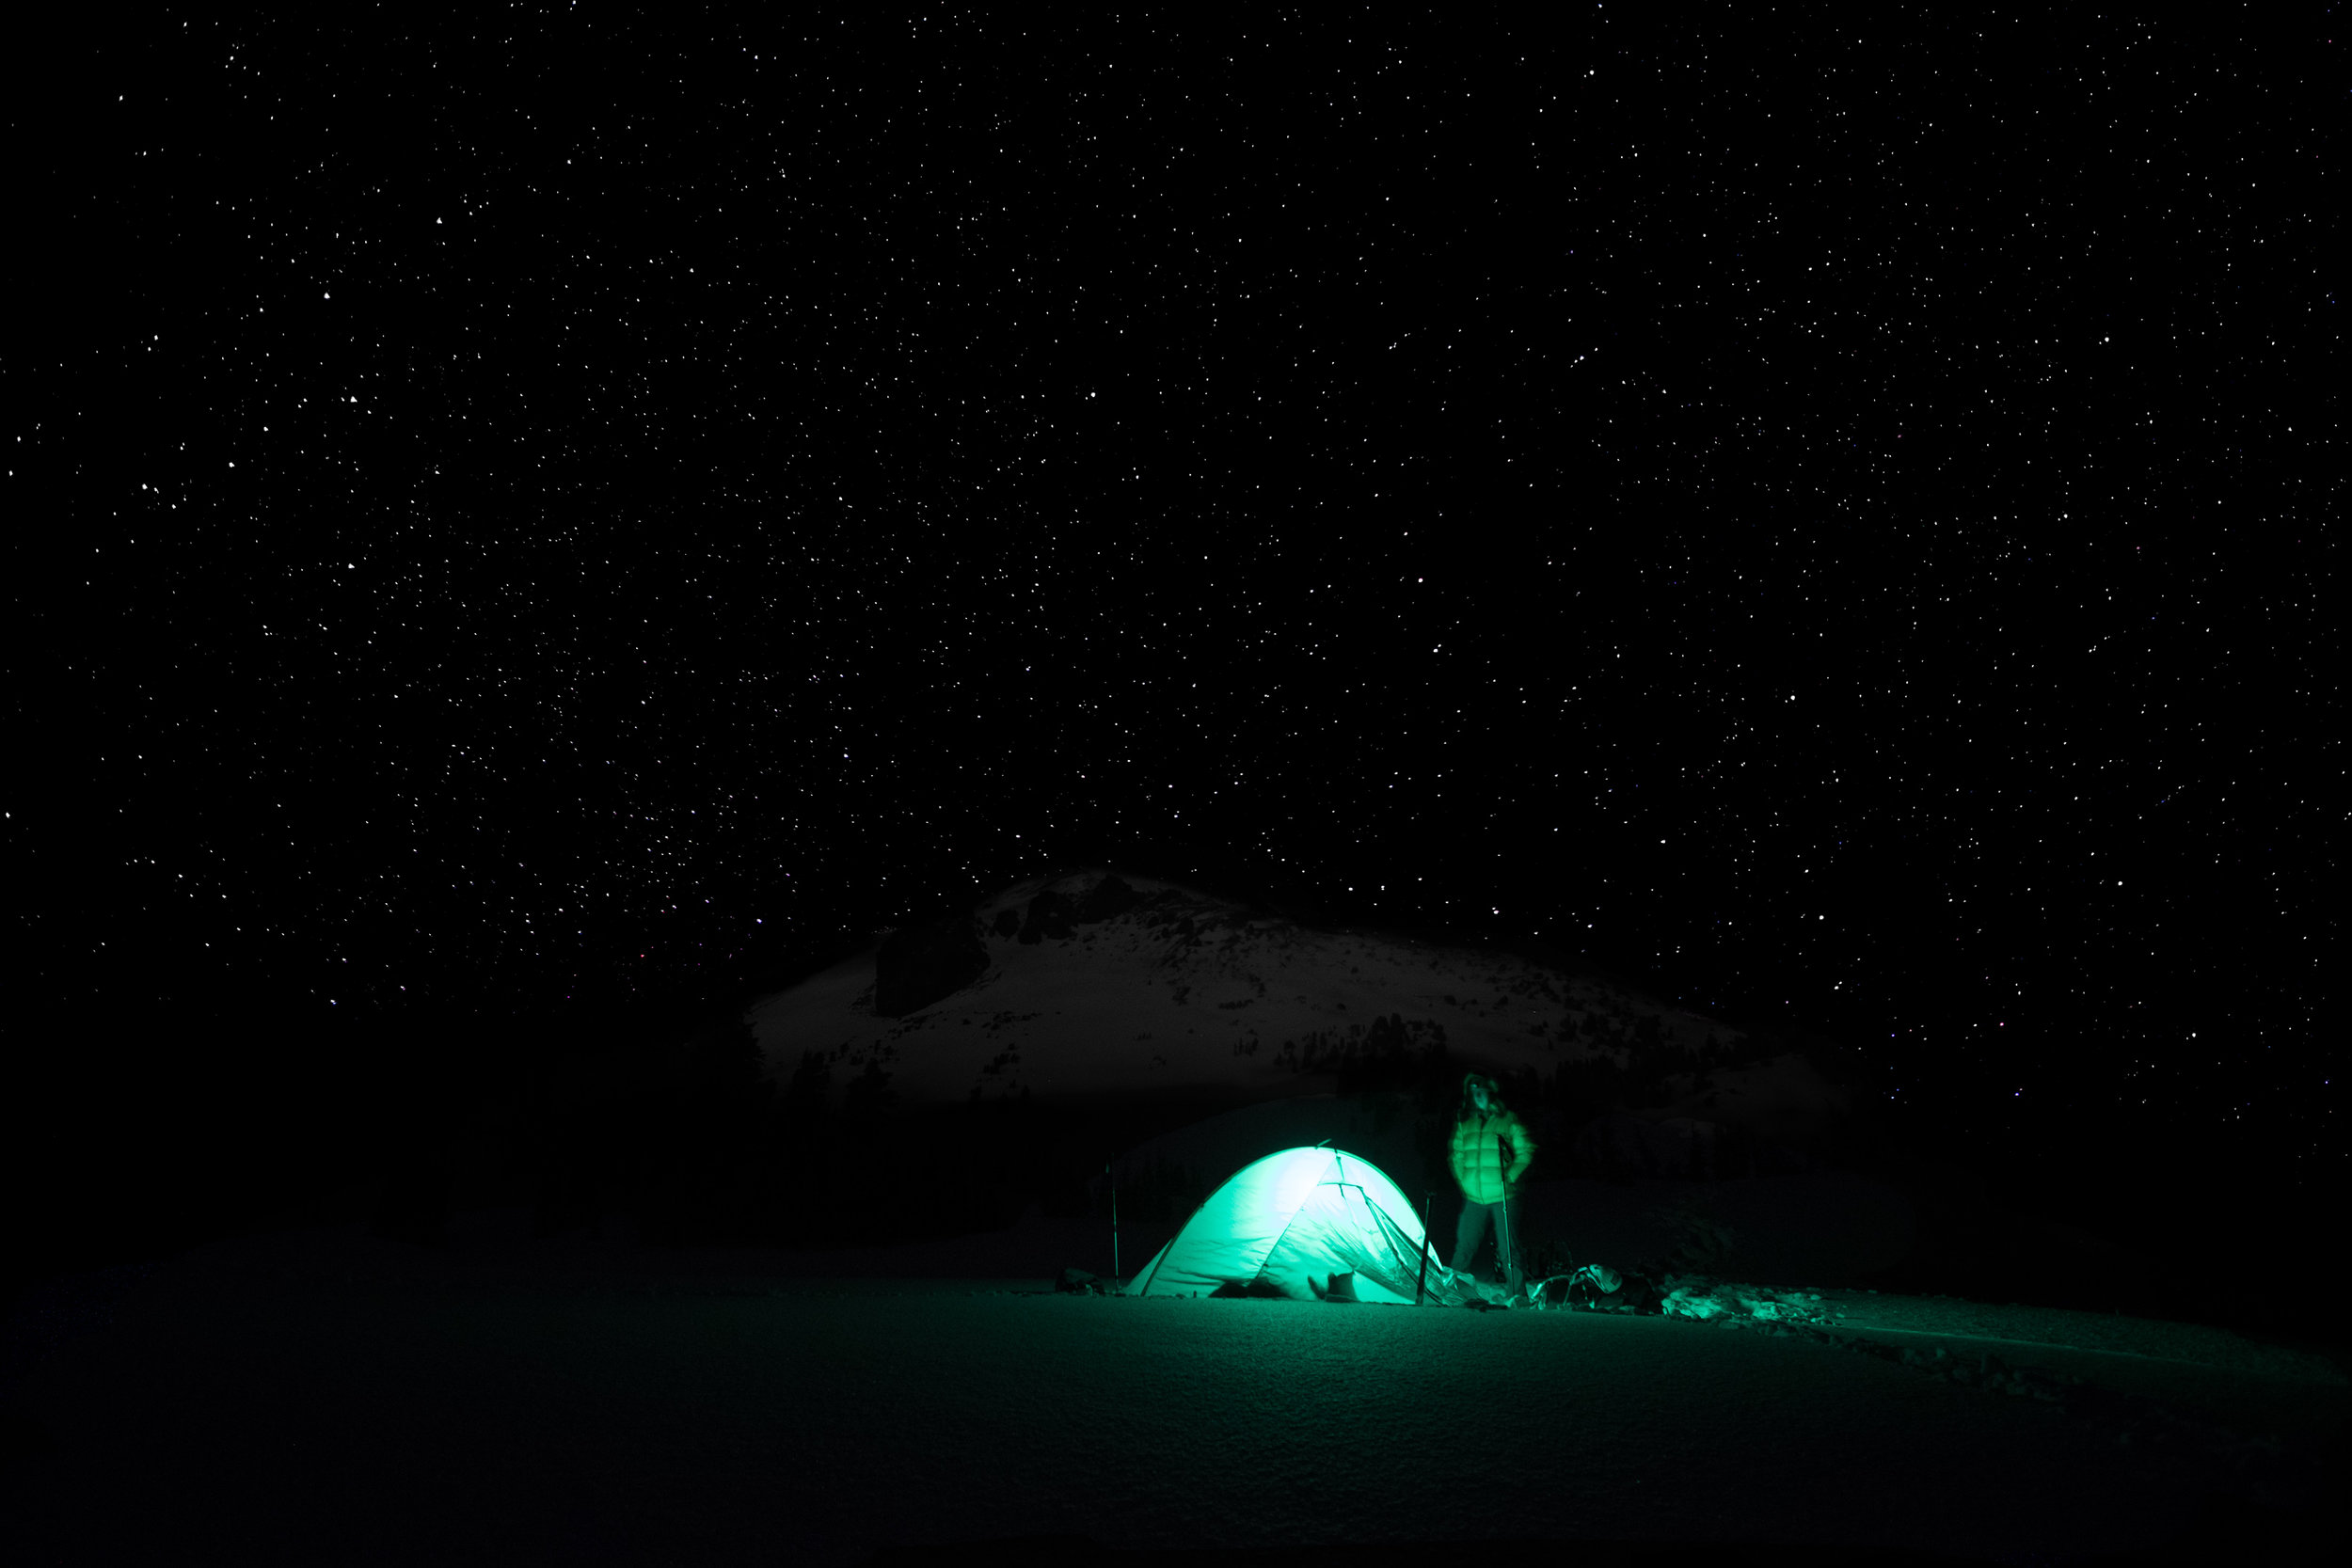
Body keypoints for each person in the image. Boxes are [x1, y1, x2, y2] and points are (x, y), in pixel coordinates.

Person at [1449, 1071, 1536, 1298]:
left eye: (1481, 1092)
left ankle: (1517, 1295)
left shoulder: (1508, 1120)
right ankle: (1451, 1291)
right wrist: (1464, 1181)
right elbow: (1457, 1153)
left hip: (1504, 1195)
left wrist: (1510, 1176)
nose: (1477, 1097)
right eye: (1473, 1093)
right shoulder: (1465, 1123)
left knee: (1508, 1247)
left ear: (1490, 1093)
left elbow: (1526, 1151)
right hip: (1474, 1196)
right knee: (1465, 1245)